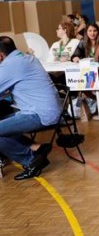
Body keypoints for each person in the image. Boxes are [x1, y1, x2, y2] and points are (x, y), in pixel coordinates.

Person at [0, 36, 60, 180]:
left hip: (40, 114)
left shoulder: (10, 65)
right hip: (48, 110)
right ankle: (37, 147)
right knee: (3, 124)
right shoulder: (26, 58)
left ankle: (31, 160)